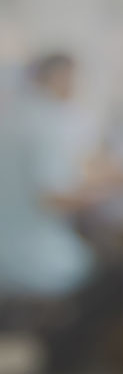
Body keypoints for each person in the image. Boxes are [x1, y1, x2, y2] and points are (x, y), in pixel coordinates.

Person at [0, 53, 106, 301]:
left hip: (13, 243)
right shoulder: (41, 125)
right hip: (33, 254)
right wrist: (100, 195)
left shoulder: (20, 116)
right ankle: (69, 338)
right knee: (112, 274)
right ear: (59, 77)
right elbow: (54, 197)